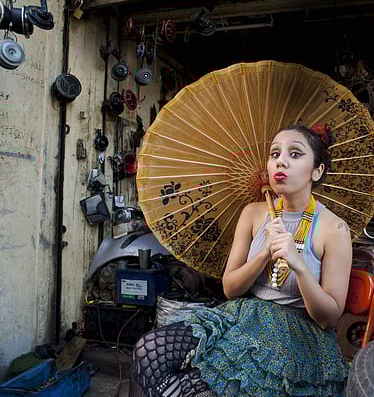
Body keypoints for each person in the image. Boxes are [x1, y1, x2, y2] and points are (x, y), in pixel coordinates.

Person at [130, 124, 353, 397]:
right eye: (275, 153)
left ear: (317, 171)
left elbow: (328, 318)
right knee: (147, 352)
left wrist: (299, 265)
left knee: (192, 390)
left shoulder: (334, 229)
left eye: (295, 154)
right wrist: (264, 254)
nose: (280, 161)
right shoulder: (253, 213)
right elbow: (230, 289)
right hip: (245, 316)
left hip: (297, 334)